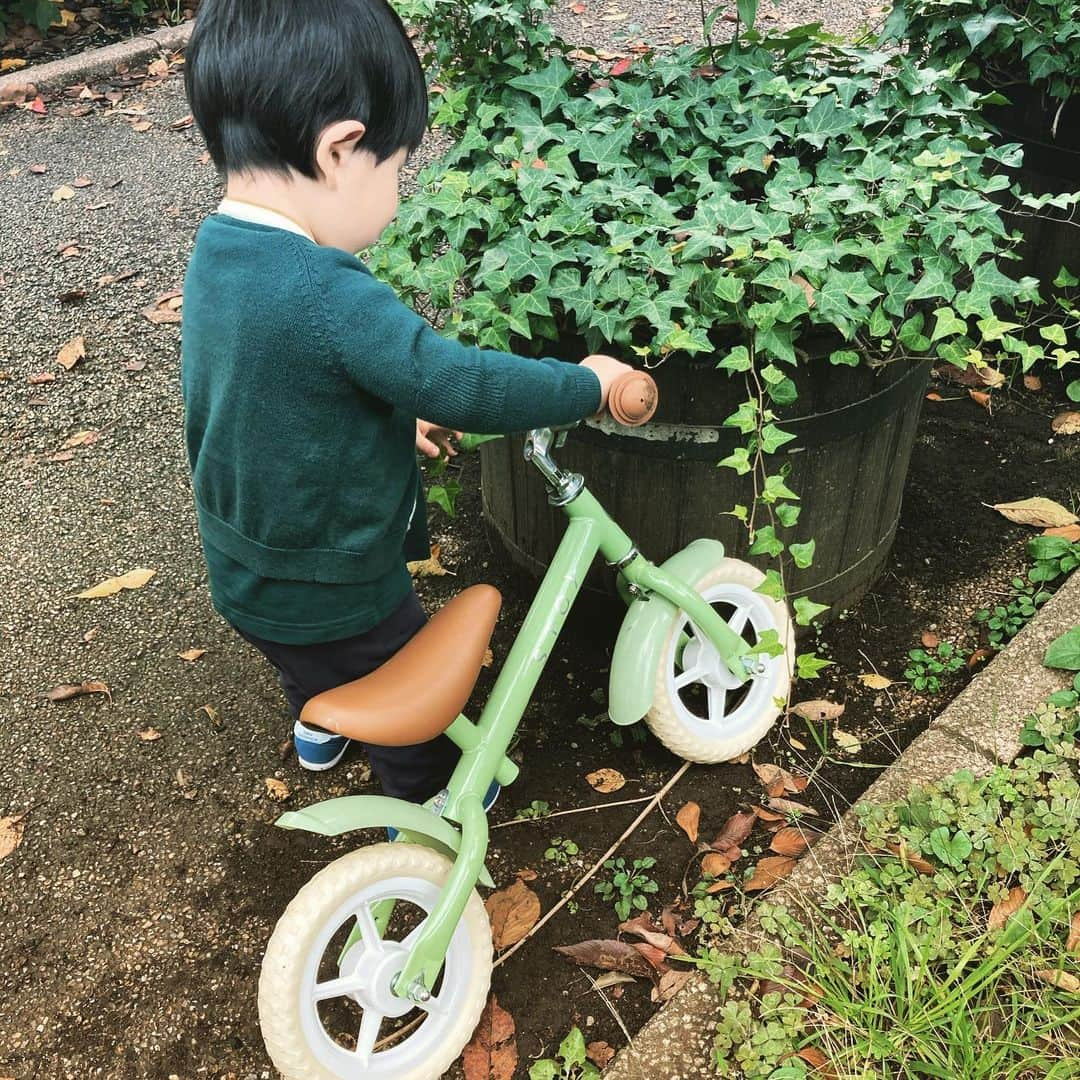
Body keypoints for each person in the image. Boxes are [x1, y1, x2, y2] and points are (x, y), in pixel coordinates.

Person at [179, 0, 631, 812]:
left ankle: (318, 723)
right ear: (340, 149)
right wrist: (586, 385)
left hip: (244, 566)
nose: (396, 190)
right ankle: (426, 805)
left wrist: (386, 412)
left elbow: (265, 387)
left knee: (308, 660)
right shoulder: (325, 289)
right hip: (336, 585)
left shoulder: (219, 252)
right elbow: (459, 381)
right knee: (405, 684)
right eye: (395, 169)